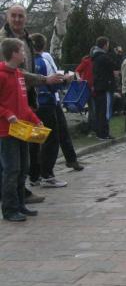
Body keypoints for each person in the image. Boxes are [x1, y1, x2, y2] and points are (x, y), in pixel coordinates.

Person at [2, 5, 63, 205]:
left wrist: (32, 109)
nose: (17, 19)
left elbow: (22, 72)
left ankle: (22, 194)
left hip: (25, 97)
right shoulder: (4, 41)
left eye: (21, 16)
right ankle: (12, 201)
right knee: (11, 161)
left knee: (24, 153)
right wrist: (44, 80)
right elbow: (12, 70)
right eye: (14, 16)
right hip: (9, 106)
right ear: (7, 17)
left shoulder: (26, 38)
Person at [0, 38, 43, 222]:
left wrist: (35, 120)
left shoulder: (18, 74)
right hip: (6, 131)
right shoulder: (2, 75)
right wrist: (7, 114)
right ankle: (9, 209)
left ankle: (20, 204)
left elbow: (24, 104)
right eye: (22, 51)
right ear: (14, 53)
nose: (25, 54)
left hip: (22, 129)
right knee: (11, 170)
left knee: (23, 168)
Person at [30, 33, 80, 187]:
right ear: (43, 45)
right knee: (51, 139)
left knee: (35, 139)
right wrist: (66, 80)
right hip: (47, 103)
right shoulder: (43, 61)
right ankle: (47, 174)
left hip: (34, 105)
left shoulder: (28, 62)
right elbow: (53, 84)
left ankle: (34, 175)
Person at [92, 37, 117, 141]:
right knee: (105, 111)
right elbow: (115, 65)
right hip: (105, 86)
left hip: (98, 86)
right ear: (105, 45)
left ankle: (99, 132)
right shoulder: (103, 57)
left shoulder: (95, 56)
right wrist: (117, 54)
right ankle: (104, 133)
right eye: (108, 44)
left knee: (99, 110)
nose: (108, 46)